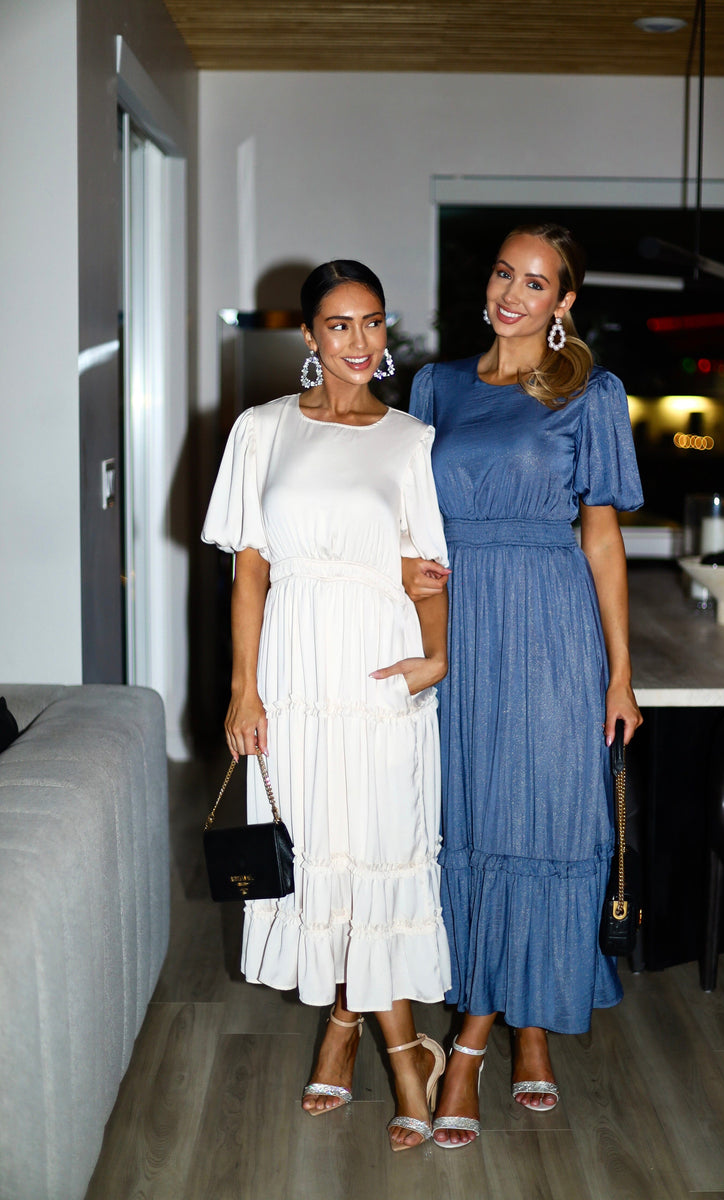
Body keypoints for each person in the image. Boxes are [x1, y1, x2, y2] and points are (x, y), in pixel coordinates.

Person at [202, 260, 452, 1152]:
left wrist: (435, 660)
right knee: (319, 855)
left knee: (376, 853)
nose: (359, 341)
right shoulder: (261, 430)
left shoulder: (410, 439)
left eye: (372, 322)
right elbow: (250, 572)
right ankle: (364, 1036)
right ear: (309, 336)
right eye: (339, 324)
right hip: (295, 677)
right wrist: (244, 689)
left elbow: (427, 573)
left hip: (378, 673)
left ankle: (392, 1056)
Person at [404, 223, 644, 1148]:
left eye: (537, 283)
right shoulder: (435, 387)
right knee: (467, 823)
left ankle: (488, 1043)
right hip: (458, 628)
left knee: (540, 821)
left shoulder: (591, 393)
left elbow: (603, 540)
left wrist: (621, 675)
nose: (513, 294)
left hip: (548, 625)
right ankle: (512, 1017)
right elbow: (407, 517)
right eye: (506, 274)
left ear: (564, 302)